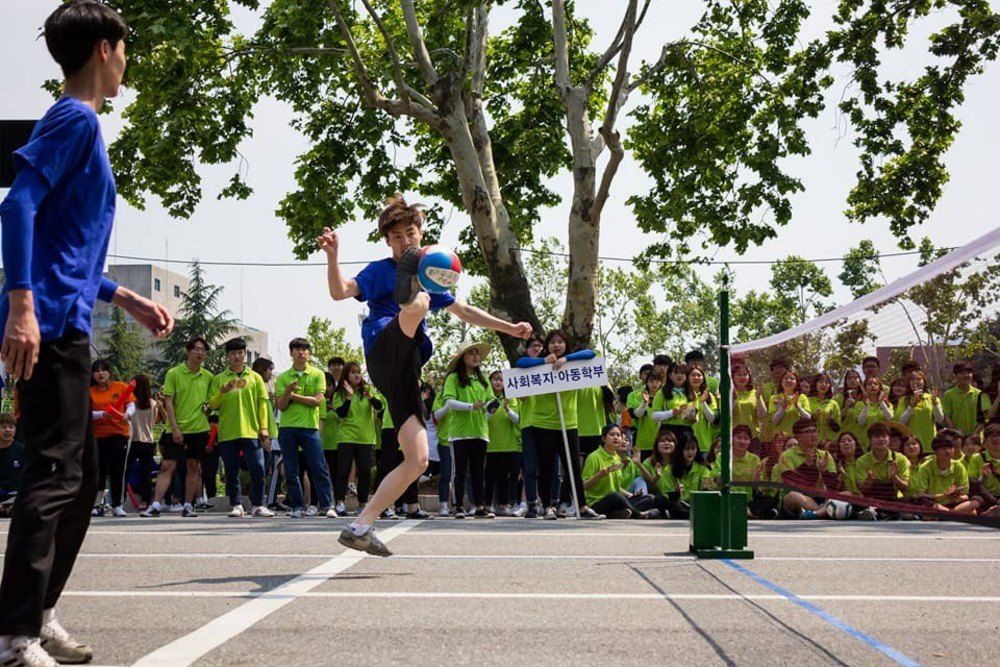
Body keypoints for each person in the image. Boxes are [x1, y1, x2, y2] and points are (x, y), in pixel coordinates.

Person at [0, 4, 175, 663]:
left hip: (65, 318)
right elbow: (16, 204)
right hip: (43, 324)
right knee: (53, 471)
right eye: (126, 49)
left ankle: (37, 614)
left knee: (80, 475)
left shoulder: (84, 126)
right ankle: (15, 634)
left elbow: (65, 249)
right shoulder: (73, 117)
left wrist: (124, 295)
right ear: (105, 49)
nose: (128, 61)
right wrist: (22, 305)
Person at [317, 194, 531, 555]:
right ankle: (408, 300)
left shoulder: (433, 275)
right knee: (417, 304)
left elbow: (464, 310)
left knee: (416, 459)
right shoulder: (379, 270)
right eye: (397, 237)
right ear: (388, 241)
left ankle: (360, 527)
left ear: (421, 234)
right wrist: (333, 255)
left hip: (403, 374)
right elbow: (340, 291)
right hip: (383, 346)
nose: (404, 241)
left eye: (410, 234)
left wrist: (509, 329)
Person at [515, 330, 604, 520]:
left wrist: (567, 360)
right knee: (546, 468)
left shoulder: (574, 364)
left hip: (569, 424)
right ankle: (547, 506)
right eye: (552, 342)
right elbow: (521, 363)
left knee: (573, 468)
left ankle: (581, 505)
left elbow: (591, 354)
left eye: (560, 342)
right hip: (543, 424)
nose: (556, 345)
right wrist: (543, 362)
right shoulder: (539, 364)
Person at [141, 337, 212, 518]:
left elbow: (211, 402)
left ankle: (188, 505)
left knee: (193, 466)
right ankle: (155, 505)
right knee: (167, 465)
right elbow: (168, 402)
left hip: (199, 429)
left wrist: (208, 407)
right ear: (188, 351)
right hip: (176, 429)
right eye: (196, 349)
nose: (200, 353)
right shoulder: (174, 373)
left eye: (203, 350)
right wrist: (175, 428)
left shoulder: (208, 376)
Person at [208, 339, 273, 518]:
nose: (237, 356)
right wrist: (221, 392)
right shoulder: (219, 379)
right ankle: (236, 504)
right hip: (228, 432)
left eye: (240, 353)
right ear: (227, 356)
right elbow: (212, 405)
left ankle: (258, 504)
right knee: (231, 470)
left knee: (258, 467)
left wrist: (264, 427)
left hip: (251, 431)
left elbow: (262, 403)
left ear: (245, 354)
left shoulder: (255, 377)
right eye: (233, 353)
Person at [275, 338, 334, 519]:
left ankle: (326, 505)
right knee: (292, 470)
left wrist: (293, 395)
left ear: (309, 353)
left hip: (310, 428)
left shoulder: (317, 374)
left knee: (319, 468)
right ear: (291, 353)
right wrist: (287, 393)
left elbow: (317, 401)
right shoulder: (283, 377)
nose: (301, 352)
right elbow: (281, 405)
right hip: (287, 428)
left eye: (305, 349)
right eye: (297, 349)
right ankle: (297, 507)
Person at [440, 343, 495, 519]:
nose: (476, 357)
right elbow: (449, 402)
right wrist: (471, 406)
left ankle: (480, 506)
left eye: (477, 354)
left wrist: (492, 407)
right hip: (460, 433)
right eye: (471, 353)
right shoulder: (453, 378)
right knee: (460, 472)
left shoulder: (483, 379)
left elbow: (491, 401)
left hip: (480, 431)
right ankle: (458, 507)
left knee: (479, 472)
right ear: (462, 358)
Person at [582, 424, 667, 519]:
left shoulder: (616, 458)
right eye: (612, 435)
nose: (616, 438)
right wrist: (599, 476)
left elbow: (617, 487)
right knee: (614, 496)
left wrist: (631, 495)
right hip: (597, 504)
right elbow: (583, 486)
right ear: (604, 438)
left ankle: (619, 513)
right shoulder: (594, 457)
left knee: (649, 498)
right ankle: (639, 514)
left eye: (618, 435)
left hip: (616, 501)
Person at [772, 419, 850, 520]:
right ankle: (825, 511)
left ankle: (816, 514)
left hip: (821, 498)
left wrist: (824, 473)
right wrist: (807, 465)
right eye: (808, 432)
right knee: (793, 496)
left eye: (815, 431)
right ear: (798, 436)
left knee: (847, 494)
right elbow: (791, 484)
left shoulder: (825, 455)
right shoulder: (786, 456)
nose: (813, 435)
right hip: (798, 499)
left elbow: (832, 488)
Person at [331, 362, 380, 517]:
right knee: (343, 471)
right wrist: (349, 397)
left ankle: (362, 504)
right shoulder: (339, 393)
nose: (357, 375)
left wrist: (370, 397)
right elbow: (342, 413)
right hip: (346, 437)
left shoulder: (367, 390)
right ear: (346, 375)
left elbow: (380, 407)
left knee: (365, 472)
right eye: (353, 372)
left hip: (366, 438)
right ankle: (339, 503)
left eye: (359, 372)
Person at [88, 360, 134, 517]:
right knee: (97, 471)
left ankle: (117, 504)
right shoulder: (89, 391)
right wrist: (101, 414)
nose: (100, 373)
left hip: (119, 434)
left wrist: (127, 414)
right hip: (96, 436)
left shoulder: (120, 387)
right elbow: (84, 413)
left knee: (118, 471)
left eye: (104, 370)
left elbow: (131, 405)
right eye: (97, 370)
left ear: (109, 372)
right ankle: (95, 503)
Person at [854, 423, 911, 520]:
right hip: (871, 499)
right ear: (870, 440)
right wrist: (869, 480)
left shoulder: (901, 459)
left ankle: (880, 514)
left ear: (889, 439)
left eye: (884, 436)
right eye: (876, 437)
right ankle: (873, 513)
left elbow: (905, 487)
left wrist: (894, 477)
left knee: (912, 502)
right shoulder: (862, 461)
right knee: (855, 503)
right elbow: (862, 489)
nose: (881, 439)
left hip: (894, 500)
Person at [911, 435, 979, 514]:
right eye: (944, 449)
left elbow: (966, 495)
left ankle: (949, 513)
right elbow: (920, 494)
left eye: (950, 448)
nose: (948, 451)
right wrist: (941, 496)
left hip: (954, 503)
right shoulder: (925, 467)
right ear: (936, 451)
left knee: (977, 500)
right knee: (923, 501)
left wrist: (955, 496)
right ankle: (952, 513)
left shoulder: (958, 467)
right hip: (935, 502)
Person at [485, 370, 521, 516]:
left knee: (503, 477)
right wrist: (490, 411)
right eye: (495, 379)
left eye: (501, 380)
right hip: (489, 445)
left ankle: (502, 505)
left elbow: (516, 419)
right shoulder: (486, 398)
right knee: (489, 477)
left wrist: (507, 409)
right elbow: (482, 419)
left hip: (508, 444)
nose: (498, 382)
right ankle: (487, 504)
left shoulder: (511, 398)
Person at [126, 374, 160, 511]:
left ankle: (121, 499)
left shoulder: (131, 403)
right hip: (148, 440)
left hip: (133, 439)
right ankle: (145, 502)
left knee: (126, 471)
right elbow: (153, 422)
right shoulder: (152, 403)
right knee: (146, 473)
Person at [894, 371, 943, 453]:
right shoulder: (904, 400)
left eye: (919, 379)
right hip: (911, 445)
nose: (916, 382)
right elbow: (901, 422)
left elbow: (940, 419)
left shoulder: (932, 398)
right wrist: (912, 405)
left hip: (930, 443)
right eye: (912, 380)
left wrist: (934, 403)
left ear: (924, 381)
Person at [941, 361, 989, 436]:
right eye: (962, 373)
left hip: (977, 438)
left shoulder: (980, 394)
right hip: (957, 438)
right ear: (955, 376)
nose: (966, 375)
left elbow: (986, 417)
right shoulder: (948, 395)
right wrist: (955, 433)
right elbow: (947, 416)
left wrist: (975, 433)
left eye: (968, 373)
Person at [628, 370, 665, 459]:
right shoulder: (638, 396)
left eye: (657, 381)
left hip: (661, 441)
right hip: (643, 442)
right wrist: (644, 402)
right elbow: (638, 414)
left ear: (661, 383)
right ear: (647, 382)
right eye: (651, 381)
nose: (654, 384)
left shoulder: (665, 396)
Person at [809, 373, 841, 448]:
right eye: (820, 382)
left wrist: (830, 421)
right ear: (815, 384)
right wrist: (813, 418)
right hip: (811, 442)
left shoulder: (833, 404)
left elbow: (838, 428)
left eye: (826, 382)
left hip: (828, 444)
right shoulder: (807, 401)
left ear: (829, 386)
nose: (823, 384)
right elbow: (802, 423)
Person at [0, 413, 25, 504]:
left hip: (15, 496)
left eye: (11, 427)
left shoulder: (21, 450)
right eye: (3, 427)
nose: (8, 430)